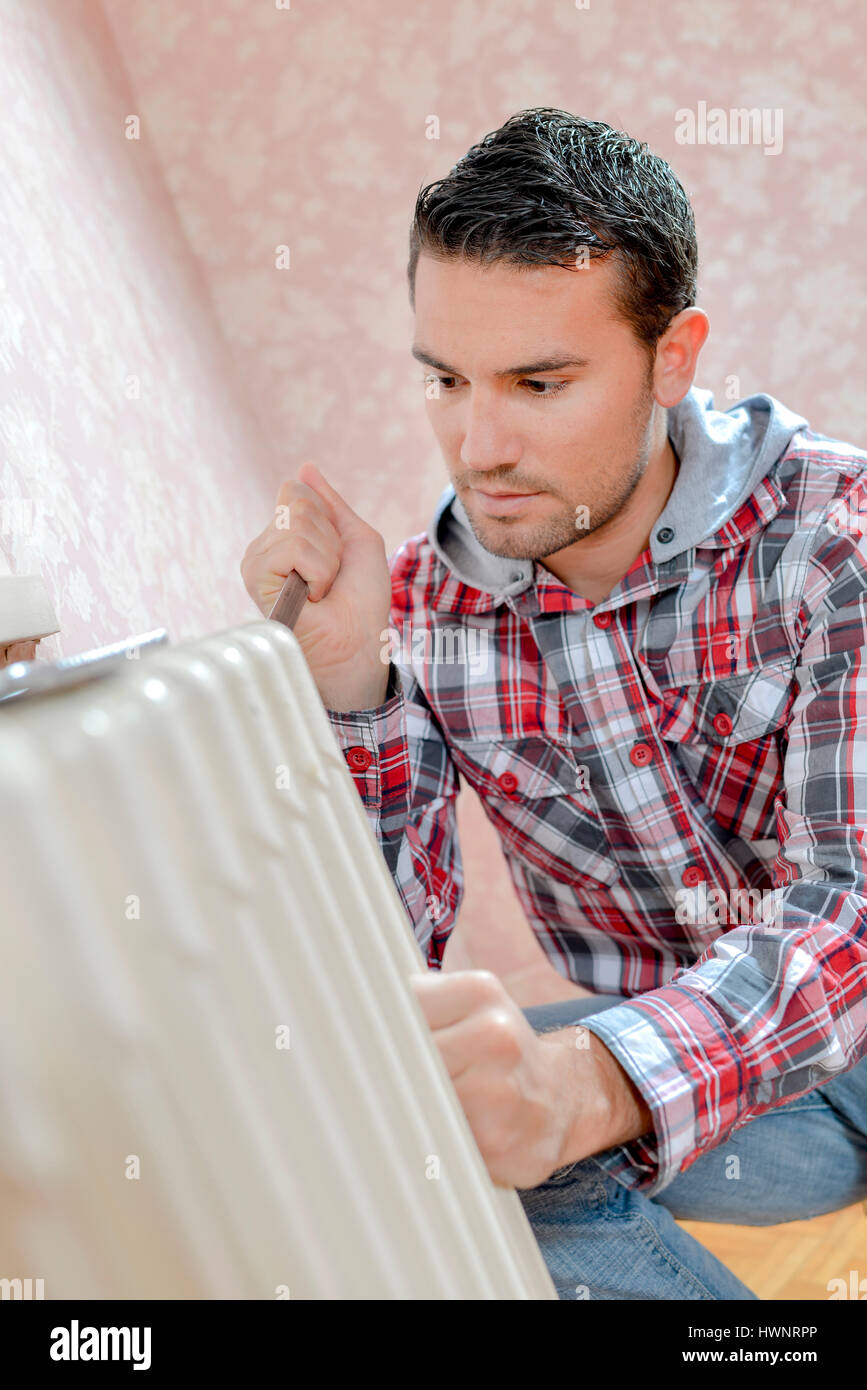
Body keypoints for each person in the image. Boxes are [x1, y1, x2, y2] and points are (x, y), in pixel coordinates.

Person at [240, 108, 867, 1300]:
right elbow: (386, 953)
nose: (477, 445)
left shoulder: (834, 537)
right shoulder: (428, 603)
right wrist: (350, 679)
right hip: (736, 1096)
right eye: (446, 380)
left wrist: (585, 1082)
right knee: (403, 1109)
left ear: (674, 357)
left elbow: (856, 912)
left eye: (539, 381)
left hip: (802, 1037)